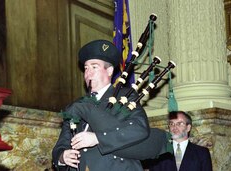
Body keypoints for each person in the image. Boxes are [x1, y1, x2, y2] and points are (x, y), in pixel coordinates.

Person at [52, 39, 151, 171]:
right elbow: (62, 143)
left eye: (94, 67)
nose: (88, 73)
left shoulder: (125, 96)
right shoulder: (77, 105)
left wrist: (98, 138)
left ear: (109, 71)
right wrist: (62, 157)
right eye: (86, 68)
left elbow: (139, 128)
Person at [147, 111, 213, 171]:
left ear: (188, 127)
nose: (174, 127)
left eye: (179, 123)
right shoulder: (159, 153)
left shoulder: (202, 153)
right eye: (171, 124)